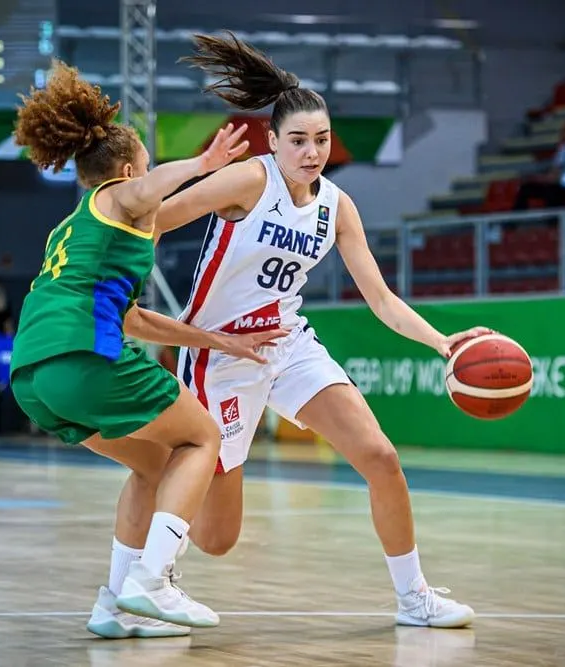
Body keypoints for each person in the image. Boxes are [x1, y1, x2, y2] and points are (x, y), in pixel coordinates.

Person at [86, 32, 493, 640]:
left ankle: (414, 596)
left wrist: (444, 343)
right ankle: (125, 587)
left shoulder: (338, 205)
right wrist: (118, 294)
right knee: (218, 537)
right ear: (272, 142)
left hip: (287, 344)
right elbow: (153, 220)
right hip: (219, 355)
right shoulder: (247, 182)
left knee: (380, 457)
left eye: (321, 140)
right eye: (298, 141)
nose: (311, 152)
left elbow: (380, 299)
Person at [8, 59, 285, 632]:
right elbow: (142, 189)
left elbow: (134, 318)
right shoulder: (121, 198)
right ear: (132, 167)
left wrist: (218, 339)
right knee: (203, 435)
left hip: (35, 376)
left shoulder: (76, 228)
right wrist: (205, 165)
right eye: (149, 168)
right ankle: (153, 579)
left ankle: (113, 604)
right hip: (84, 359)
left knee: (156, 466)